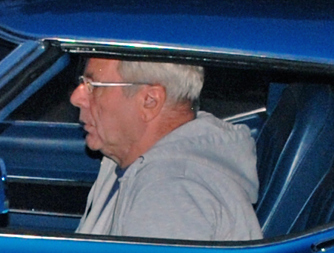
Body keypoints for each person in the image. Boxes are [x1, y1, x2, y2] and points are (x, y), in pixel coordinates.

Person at [72, 56, 261, 242]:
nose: (76, 98)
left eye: (92, 86)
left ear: (150, 101)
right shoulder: (127, 158)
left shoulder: (170, 194)